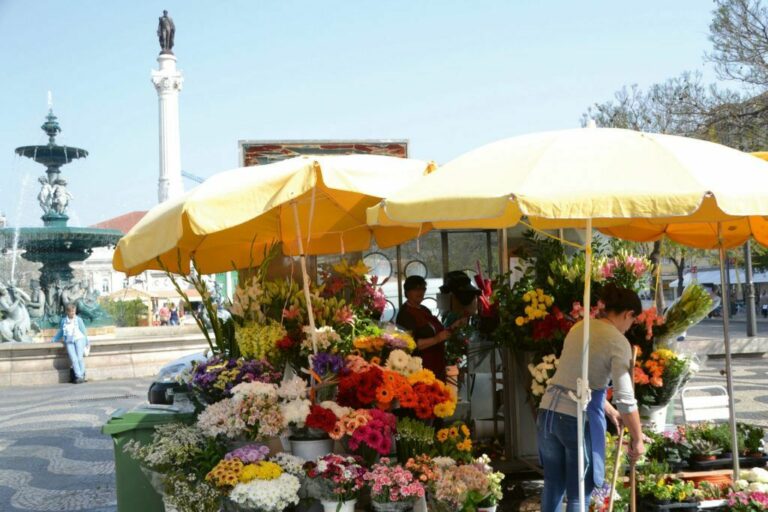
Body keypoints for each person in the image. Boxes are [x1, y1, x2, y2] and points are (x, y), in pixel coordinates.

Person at [537, 283, 645, 512]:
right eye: (633, 321)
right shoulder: (618, 342)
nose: (630, 326)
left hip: (547, 413)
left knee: (553, 485)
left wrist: (609, 410)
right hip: (576, 418)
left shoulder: (580, 327)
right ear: (628, 314)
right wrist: (637, 438)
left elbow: (575, 378)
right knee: (578, 493)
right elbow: (626, 398)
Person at [396, 275, 466, 381]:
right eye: (416, 289)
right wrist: (436, 339)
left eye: (423, 289)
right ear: (407, 292)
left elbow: (438, 333)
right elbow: (411, 344)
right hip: (421, 367)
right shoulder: (405, 314)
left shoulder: (424, 309)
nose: (420, 292)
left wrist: (454, 326)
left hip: (437, 363)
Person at [51, 303, 90, 384]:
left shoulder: (78, 319)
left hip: (79, 339)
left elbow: (84, 331)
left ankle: (81, 375)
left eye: (74, 311)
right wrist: (54, 339)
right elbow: (61, 331)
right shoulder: (64, 321)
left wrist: (87, 341)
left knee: (79, 357)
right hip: (69, 341)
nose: (73, 313)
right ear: (67, 312)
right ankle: (79, 376)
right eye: (71, 312)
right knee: (74, 359)